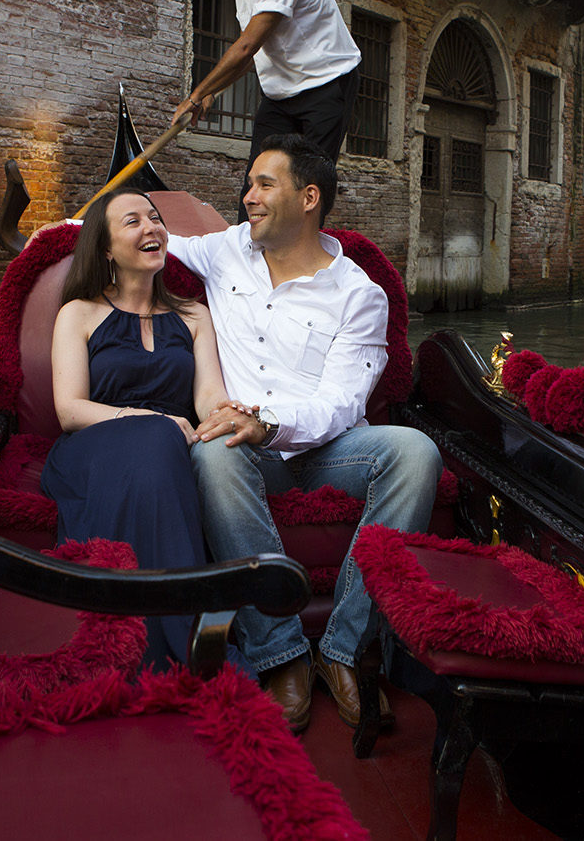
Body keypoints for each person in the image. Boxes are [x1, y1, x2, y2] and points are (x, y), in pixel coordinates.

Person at [169, 135, 442, 733]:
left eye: (265, 185)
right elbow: (150, 237)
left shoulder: (358, 294)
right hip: (244, 451)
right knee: (214, 450)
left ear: (309, 197)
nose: (248, 199)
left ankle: (342, 650)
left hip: (326, 450)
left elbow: (344, 402)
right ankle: (283, 653)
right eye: (248, 185)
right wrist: (56, 233)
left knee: (416, 451)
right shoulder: (225, 252)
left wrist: (270, 423)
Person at [40, 188, 238, 671]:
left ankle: (166, 639)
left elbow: (207, 395)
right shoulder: (79, 313)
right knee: (157, 438)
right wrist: (150, 420)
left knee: (163, 444)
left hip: (170, 447)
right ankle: (175, 642)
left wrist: (224, 412)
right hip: (94, 445)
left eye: (155, 218)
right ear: (106, 248)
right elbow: (69, 410)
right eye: (133, 221)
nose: (152, 227)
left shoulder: (194, 316)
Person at [170, 0, 362, 217]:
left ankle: (300, 257)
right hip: (281, 93)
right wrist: (212, 93)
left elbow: (246, 46)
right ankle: (248, 254)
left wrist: (195, 96)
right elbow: (253, 54)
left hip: (327, 82)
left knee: (309, 182)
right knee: (257, 179)